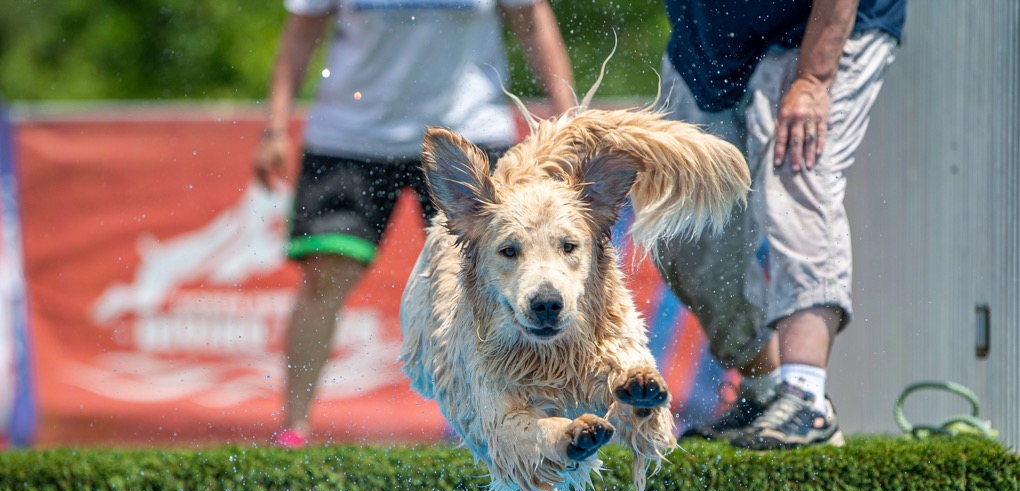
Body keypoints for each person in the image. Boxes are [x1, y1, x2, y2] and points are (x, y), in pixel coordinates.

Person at [254, 0, 576, 448]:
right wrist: (275, 126)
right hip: (350, 135)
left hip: (467, 134)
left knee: (494, 282)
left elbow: (532, 20)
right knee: (323, 278)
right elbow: (302, 31)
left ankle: (506, 425)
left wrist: (567, 122)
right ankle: (294, 429)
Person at [655, 0, 906, 449]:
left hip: (816, 28)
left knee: (797, 174)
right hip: (708, 42)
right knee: (682, 228)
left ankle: (806, 398)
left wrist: (814, 80)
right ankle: (766, 390)